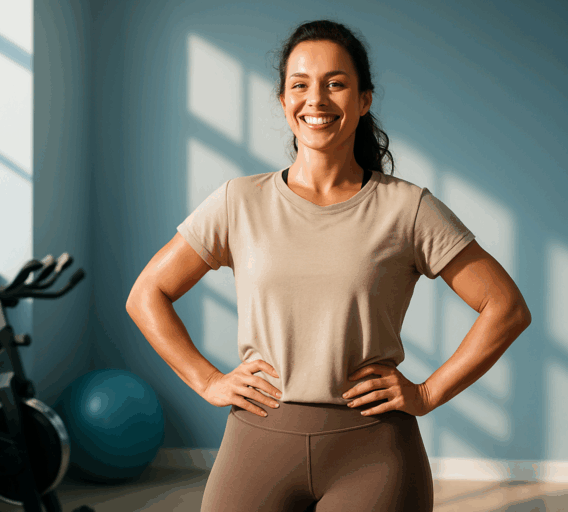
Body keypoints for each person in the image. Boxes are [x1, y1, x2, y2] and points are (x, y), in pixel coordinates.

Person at [126, 19, 531, 512]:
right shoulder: (239, 201)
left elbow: (506, 307)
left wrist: (427, 393)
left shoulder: (408, 208)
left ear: (364, 100)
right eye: (300, 85)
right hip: (258, 438)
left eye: (335, 84)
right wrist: (209, 381)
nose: (315, 100)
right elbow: (146, 293)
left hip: (375, 450)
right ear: (283, 100)